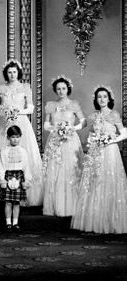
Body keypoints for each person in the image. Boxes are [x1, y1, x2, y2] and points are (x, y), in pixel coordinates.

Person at [0, 59, 43, 206]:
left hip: (21, 122)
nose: (12, 74)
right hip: (4, 123)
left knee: (24, 154)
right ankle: (4, 192)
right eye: (9, 72)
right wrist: (4, 111)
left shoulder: (25, 87)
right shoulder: (0, 89)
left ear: (18, 73)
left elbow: (30, 108)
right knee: (3, 154)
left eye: (14, 72)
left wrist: (18, 111)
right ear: (6, 74)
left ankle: (25, 192)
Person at [71, 86, 127, 234]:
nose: (102, 99)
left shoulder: (114, 114)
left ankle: (111, 220)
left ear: (109, 99)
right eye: (99, 97)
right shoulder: (93, 116)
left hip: (110, 152)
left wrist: (109, 140)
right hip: (96, 152)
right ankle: (95, 220)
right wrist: (92, 141)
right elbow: (90, 135)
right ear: (96, 100)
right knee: (95, 182)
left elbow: (124, 133)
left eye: (104, 96)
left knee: (109, 182)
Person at [42, 76, 85, 217]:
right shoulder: (51, 105)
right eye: (58, 89)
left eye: (63, 88)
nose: (61, 91)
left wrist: (72, 128)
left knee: (71, 170)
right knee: (55, 170)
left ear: (68, 89)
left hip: (71, 140)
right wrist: (55, 129)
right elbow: (46, 124)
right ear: (55, 90)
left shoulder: (74, 105)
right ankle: (57, 206)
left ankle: (72, 207)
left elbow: (83, 121)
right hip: (55, 141)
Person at [0, 125, 32, 231]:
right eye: (12, 137)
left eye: (17, 137)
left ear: (20, 137)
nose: (15, 139)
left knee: (16, 202)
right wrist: (2, 179)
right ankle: (8, 222)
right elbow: (1, 166)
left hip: (19, 176)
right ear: (8, 138)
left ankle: (15, 222)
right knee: (8, 202)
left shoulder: (23, 151)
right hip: (8, 176)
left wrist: (27, 180)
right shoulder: (4, 151)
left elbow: (26, 166)